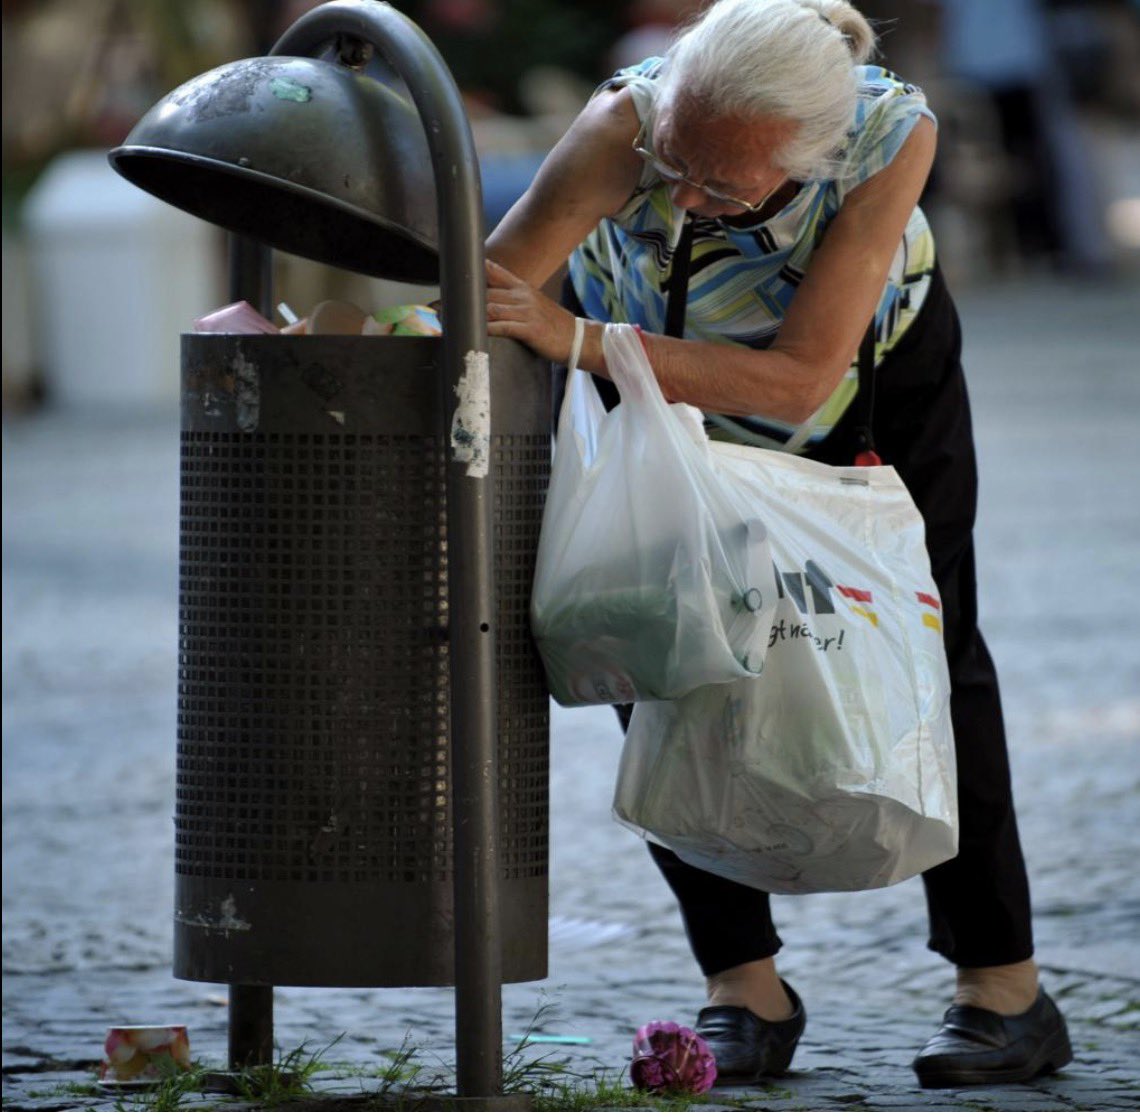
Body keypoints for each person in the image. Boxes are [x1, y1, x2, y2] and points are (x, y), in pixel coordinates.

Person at [483, 0, 1073, 1088]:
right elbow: (495, 290)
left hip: (868, 392)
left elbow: (804, 373)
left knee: (935, 657)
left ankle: (1005, 989)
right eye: (678, 168)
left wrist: (582, 340)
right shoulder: (629, 122)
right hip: (657, 397)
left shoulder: (893, 137)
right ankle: (742, 987)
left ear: (812, 154)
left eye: (724, 187)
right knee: (653, 643)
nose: (688, 199)